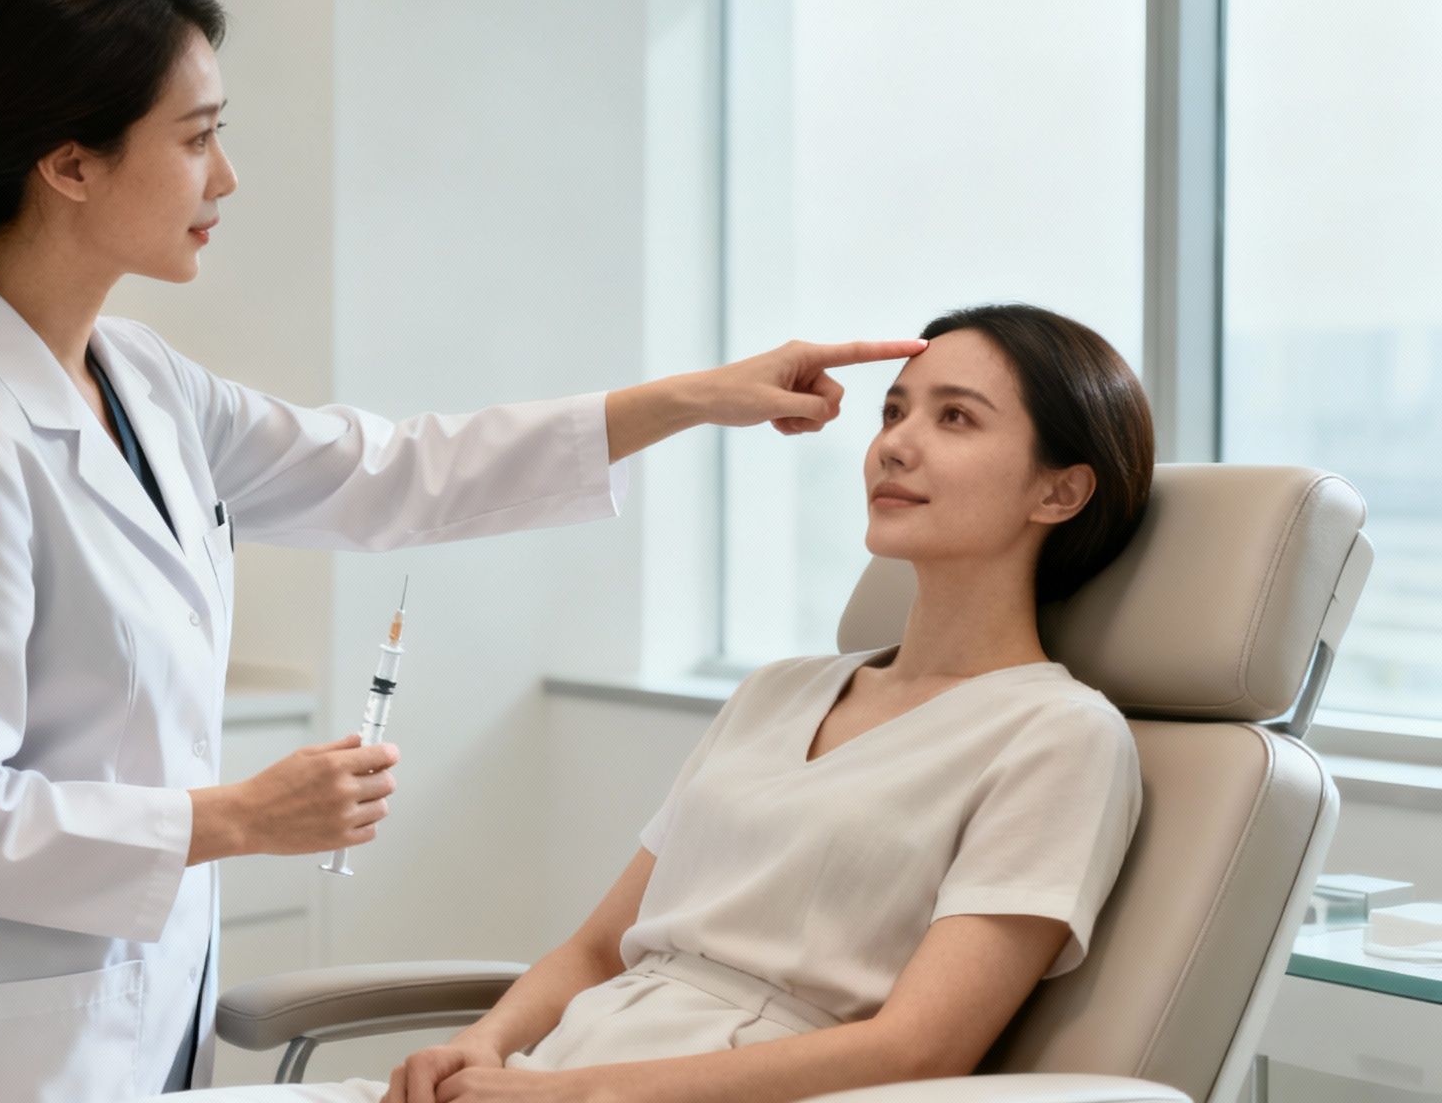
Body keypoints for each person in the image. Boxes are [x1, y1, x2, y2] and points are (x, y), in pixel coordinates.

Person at [0, 0, 924, 1101]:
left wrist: (694, 397)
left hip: (120, 1013)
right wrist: (236, 817)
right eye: (196, 139)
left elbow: (386, 473)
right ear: (70, 164)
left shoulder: (135, 375)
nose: (226, 176)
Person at [160, 303, 1154, 1103]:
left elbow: (915, 1051)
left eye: (953, 418)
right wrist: (477, 1048)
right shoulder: (780, 690)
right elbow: (597, 948)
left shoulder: (1057, 737)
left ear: (1057, 494)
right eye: (893, 410)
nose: (893, 445)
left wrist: (586, 1096)